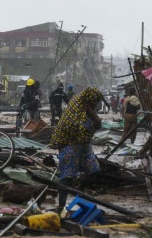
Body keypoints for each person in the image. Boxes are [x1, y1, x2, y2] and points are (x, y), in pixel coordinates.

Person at [49, 87, 103, 216]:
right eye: (95, 102)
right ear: (89, 100)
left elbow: (96, 126)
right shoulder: (77, 110)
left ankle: (80, 193)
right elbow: (91, 127)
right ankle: (61, 206)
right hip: (70, 145)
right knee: (66, 176)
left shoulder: (85, 108)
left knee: (94, 170)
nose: (96, 104)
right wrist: (92, 113)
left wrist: (90, 111)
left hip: (83, 145)